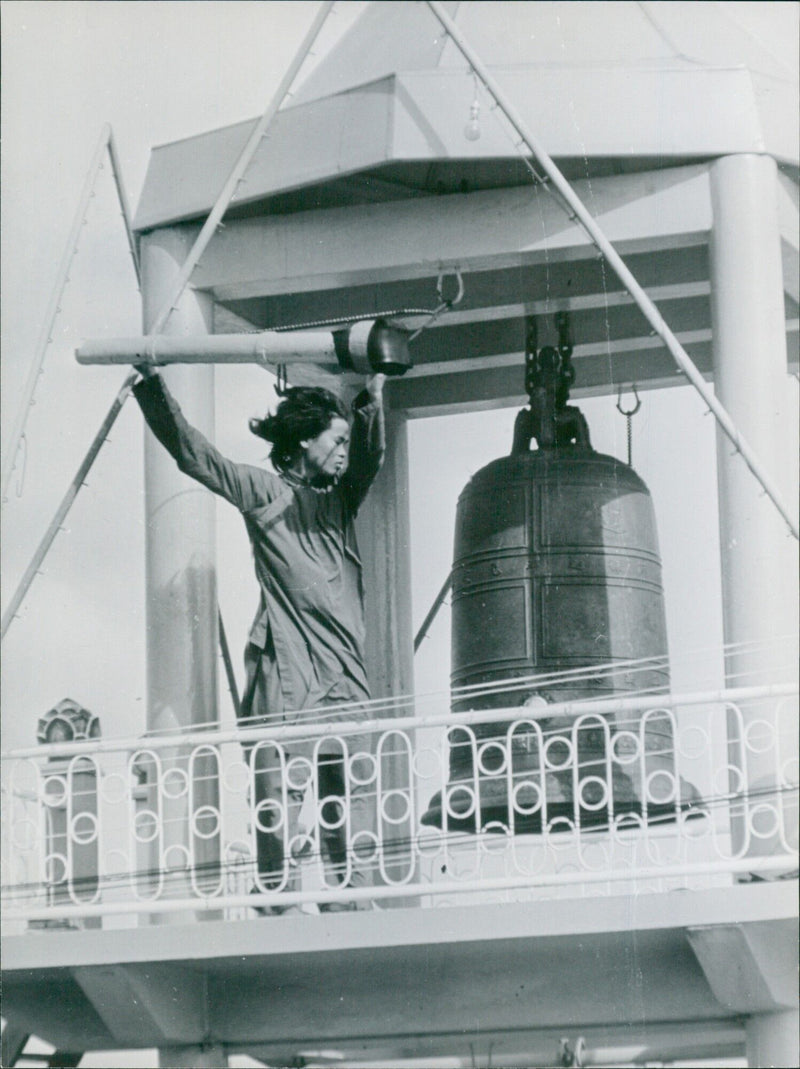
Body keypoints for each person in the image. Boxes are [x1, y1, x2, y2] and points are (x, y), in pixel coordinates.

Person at [132, 365, 385, 913]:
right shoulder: (265, 493)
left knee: (353, 799)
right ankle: (278, 899)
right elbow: (199, 459)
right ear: (303, 440)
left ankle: (353, 904)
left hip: (347, 683)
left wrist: (370, 398)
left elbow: (370, 456)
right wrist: (151, 389)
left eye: (346, 440)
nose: (343, 452)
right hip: (291, 679)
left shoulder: (342, 502)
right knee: (278, 797)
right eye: (335, 440)